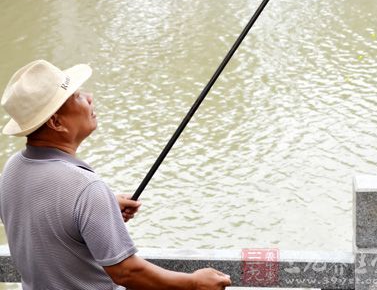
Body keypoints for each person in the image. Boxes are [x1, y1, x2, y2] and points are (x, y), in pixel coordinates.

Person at [0, 59, 232, 290]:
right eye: (77, 96)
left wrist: (102, 210)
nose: (89, 97)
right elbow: (125, 272)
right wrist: (193, 283)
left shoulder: (12, 170)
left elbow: (41, 223)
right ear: (56, 122)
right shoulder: (86, 187)